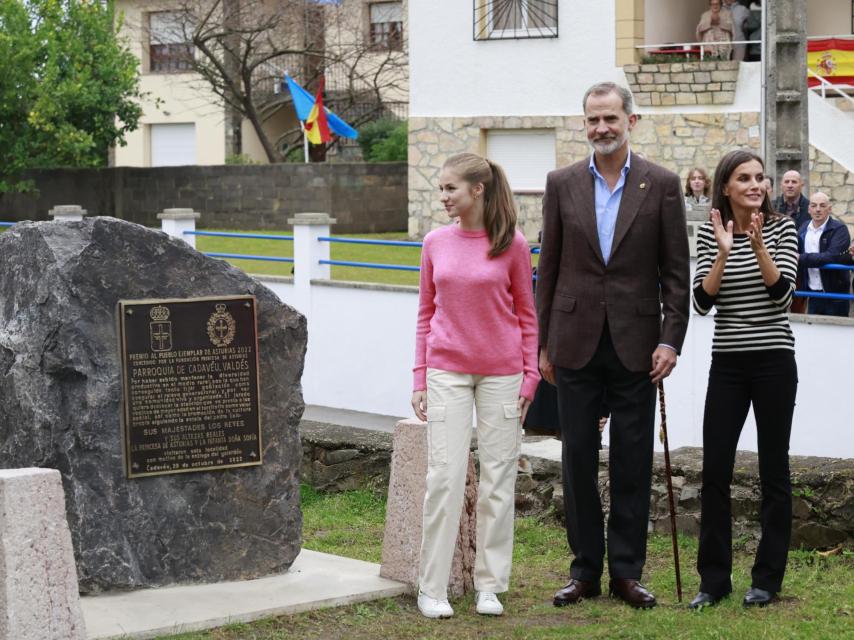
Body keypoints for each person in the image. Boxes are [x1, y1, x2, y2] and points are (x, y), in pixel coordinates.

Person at [537, 82, 690, 610]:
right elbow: (548, 270)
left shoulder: (662, 185)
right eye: (592, 120)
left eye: (611, 118)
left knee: (631, 461)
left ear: (631, 120)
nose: (601, 128)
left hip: (638, 347)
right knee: (577, 457)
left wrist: (671, 340)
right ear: (584, 124)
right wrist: (543, 345)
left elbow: (675, 273)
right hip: (573, 343)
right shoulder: (560, 184)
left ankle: (627, 572)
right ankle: (584, 572)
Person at [411, 152, 540, 619]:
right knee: (443, 478)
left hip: (503, 375)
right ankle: (433, 587)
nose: (443, 197)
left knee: (497, 482)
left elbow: (527, 316)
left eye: (450, 189)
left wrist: (531, 376)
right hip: (446, 370)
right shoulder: (434, 243)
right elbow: (426, 313)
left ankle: (490, 585)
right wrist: (419, 376)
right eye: (441, 188)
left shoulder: (513, 245)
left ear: (477, 190)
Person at [689, 150, 799, 610]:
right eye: (744, 178)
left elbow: (783, 298)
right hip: (728, 364)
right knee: (715, 469)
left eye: (760, 178)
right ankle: (714, 581)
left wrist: (757, 247)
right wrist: (724, 252)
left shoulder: (783, 228)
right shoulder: (708, 230)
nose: (756, 184)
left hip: (775, 360)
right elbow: (700, 303)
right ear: (726, 186)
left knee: (774, 470)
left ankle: (767, 580)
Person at [797, 192, 852, 317]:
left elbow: (831, 256)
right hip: (812, 293)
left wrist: (800, 258)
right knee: (813, 333)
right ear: (809, 209)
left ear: (829, 209)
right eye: (814, 205)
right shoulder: (803, 228)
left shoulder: (839, 229)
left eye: (822, 205)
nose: (818, 209)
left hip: (835, 296)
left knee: (837, 334)